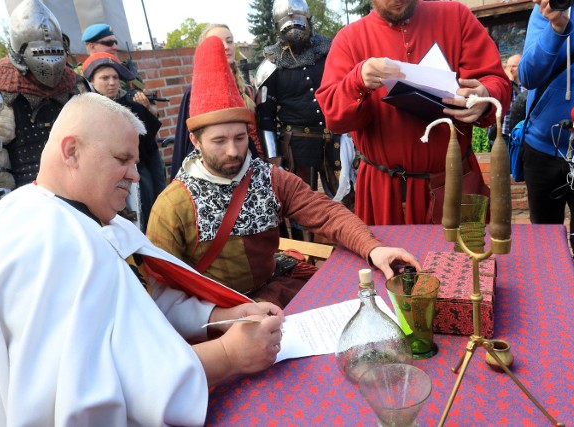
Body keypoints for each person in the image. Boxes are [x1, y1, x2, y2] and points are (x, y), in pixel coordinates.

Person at [0, 92, 284, 426]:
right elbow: (83, 399)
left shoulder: (86, 218)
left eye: (135, 162)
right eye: (122, 159)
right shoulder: (46, 246)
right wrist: (227, 355)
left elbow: (142, 299)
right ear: (71, 151)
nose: (136, 175)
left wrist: (219, 315)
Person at [147, 36, 421, 308]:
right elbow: (161, 290)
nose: (233, 151)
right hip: (217, 311)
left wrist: (373, 248)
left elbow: (326, 213)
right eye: (219, 141)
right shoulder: (172, 205)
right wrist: (215, 321)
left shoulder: (269, 177)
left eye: (240, 138)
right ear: (196, 141)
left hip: (274, 289)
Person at [315, 0, 511, 226]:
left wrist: (484, 96)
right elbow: (334, 116)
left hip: (456, 181)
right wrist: (357, 81)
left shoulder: (456, 17)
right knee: (391, 259)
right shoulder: (349, 39)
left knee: (467, 259)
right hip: (386, 191)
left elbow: (496, 82)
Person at [0, 0, 88, 202]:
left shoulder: (77, 85)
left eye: (53, 52)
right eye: (39, 53)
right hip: (29, 196)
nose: (50, 64)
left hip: (80, 186)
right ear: (20, 52)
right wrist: (11, 208)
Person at [518, 0, 574, 309]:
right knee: (544, 239)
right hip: (542, 148)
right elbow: (528, 76)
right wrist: (556, 27)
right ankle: (549, 308)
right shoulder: (548, 8)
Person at [256, 0, 347, 240]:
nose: (294, 29)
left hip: (334, 139)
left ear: (308, 20)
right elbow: (265, 116)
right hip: (296, 144)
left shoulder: (329, 52)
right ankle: (305, 263)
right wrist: (273, 158)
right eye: (287, 24)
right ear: (278, 26)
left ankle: (348, 250)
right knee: (300, 207)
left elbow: (346, 91)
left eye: (299, 22)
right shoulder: (271, 65)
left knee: (345, 198)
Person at [82, 52, 166, 231]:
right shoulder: (84, 111)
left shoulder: (133, 106)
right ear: (92, 80)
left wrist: (147, 108)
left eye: (115, 77)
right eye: (105, 78)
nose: (112, 82)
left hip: (139, 176)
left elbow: (152, 153)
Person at [170, 23, 262, 179]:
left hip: (252, 166)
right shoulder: (196, 92)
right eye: (219, 42)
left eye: (229, 41)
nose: (226, 47)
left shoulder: (245, 88)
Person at [80, 23, 157, 116]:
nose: (115, 47)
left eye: (115, 42)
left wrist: (146, 107)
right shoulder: (78, 76)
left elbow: (154, 112)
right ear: (92, 46)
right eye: (108, 43)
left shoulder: (127, 71)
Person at [489, 54, 525, 145]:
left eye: (513, 66)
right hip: (504, 132)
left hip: (521, 132)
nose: (510, 70)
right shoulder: (504, 84)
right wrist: (508, 82)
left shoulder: (527, 85)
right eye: (508, 66)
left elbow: (523, 101)